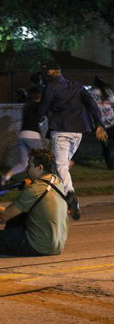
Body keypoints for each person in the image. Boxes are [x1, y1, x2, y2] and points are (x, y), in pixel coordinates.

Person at [38, 59, 108, 220]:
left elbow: (42, 109)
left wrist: (37, 114)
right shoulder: (76, 86)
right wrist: (99, 124)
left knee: (60, 167)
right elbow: (92, 104)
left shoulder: (50, 87)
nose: (44, 76)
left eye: (45, 73)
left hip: (61, 131)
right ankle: (56, 203)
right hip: (78, 132)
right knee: (59, 168)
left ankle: (71, 197)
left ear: (52, 72)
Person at [1, 87, 45, 185]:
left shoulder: (27, 106)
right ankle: (41, 181)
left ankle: (6, 176)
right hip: (33, 135)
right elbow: (42, 115)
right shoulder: (39, 105)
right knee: (43, 159)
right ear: (40, 95)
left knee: (24, 163)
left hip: (22, 135)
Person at [90, 75, 114, 169]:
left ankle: (110, 165)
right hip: (112, 120)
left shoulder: (91, 93)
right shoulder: (108, 92)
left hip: (100, 124)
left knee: (105, 145)